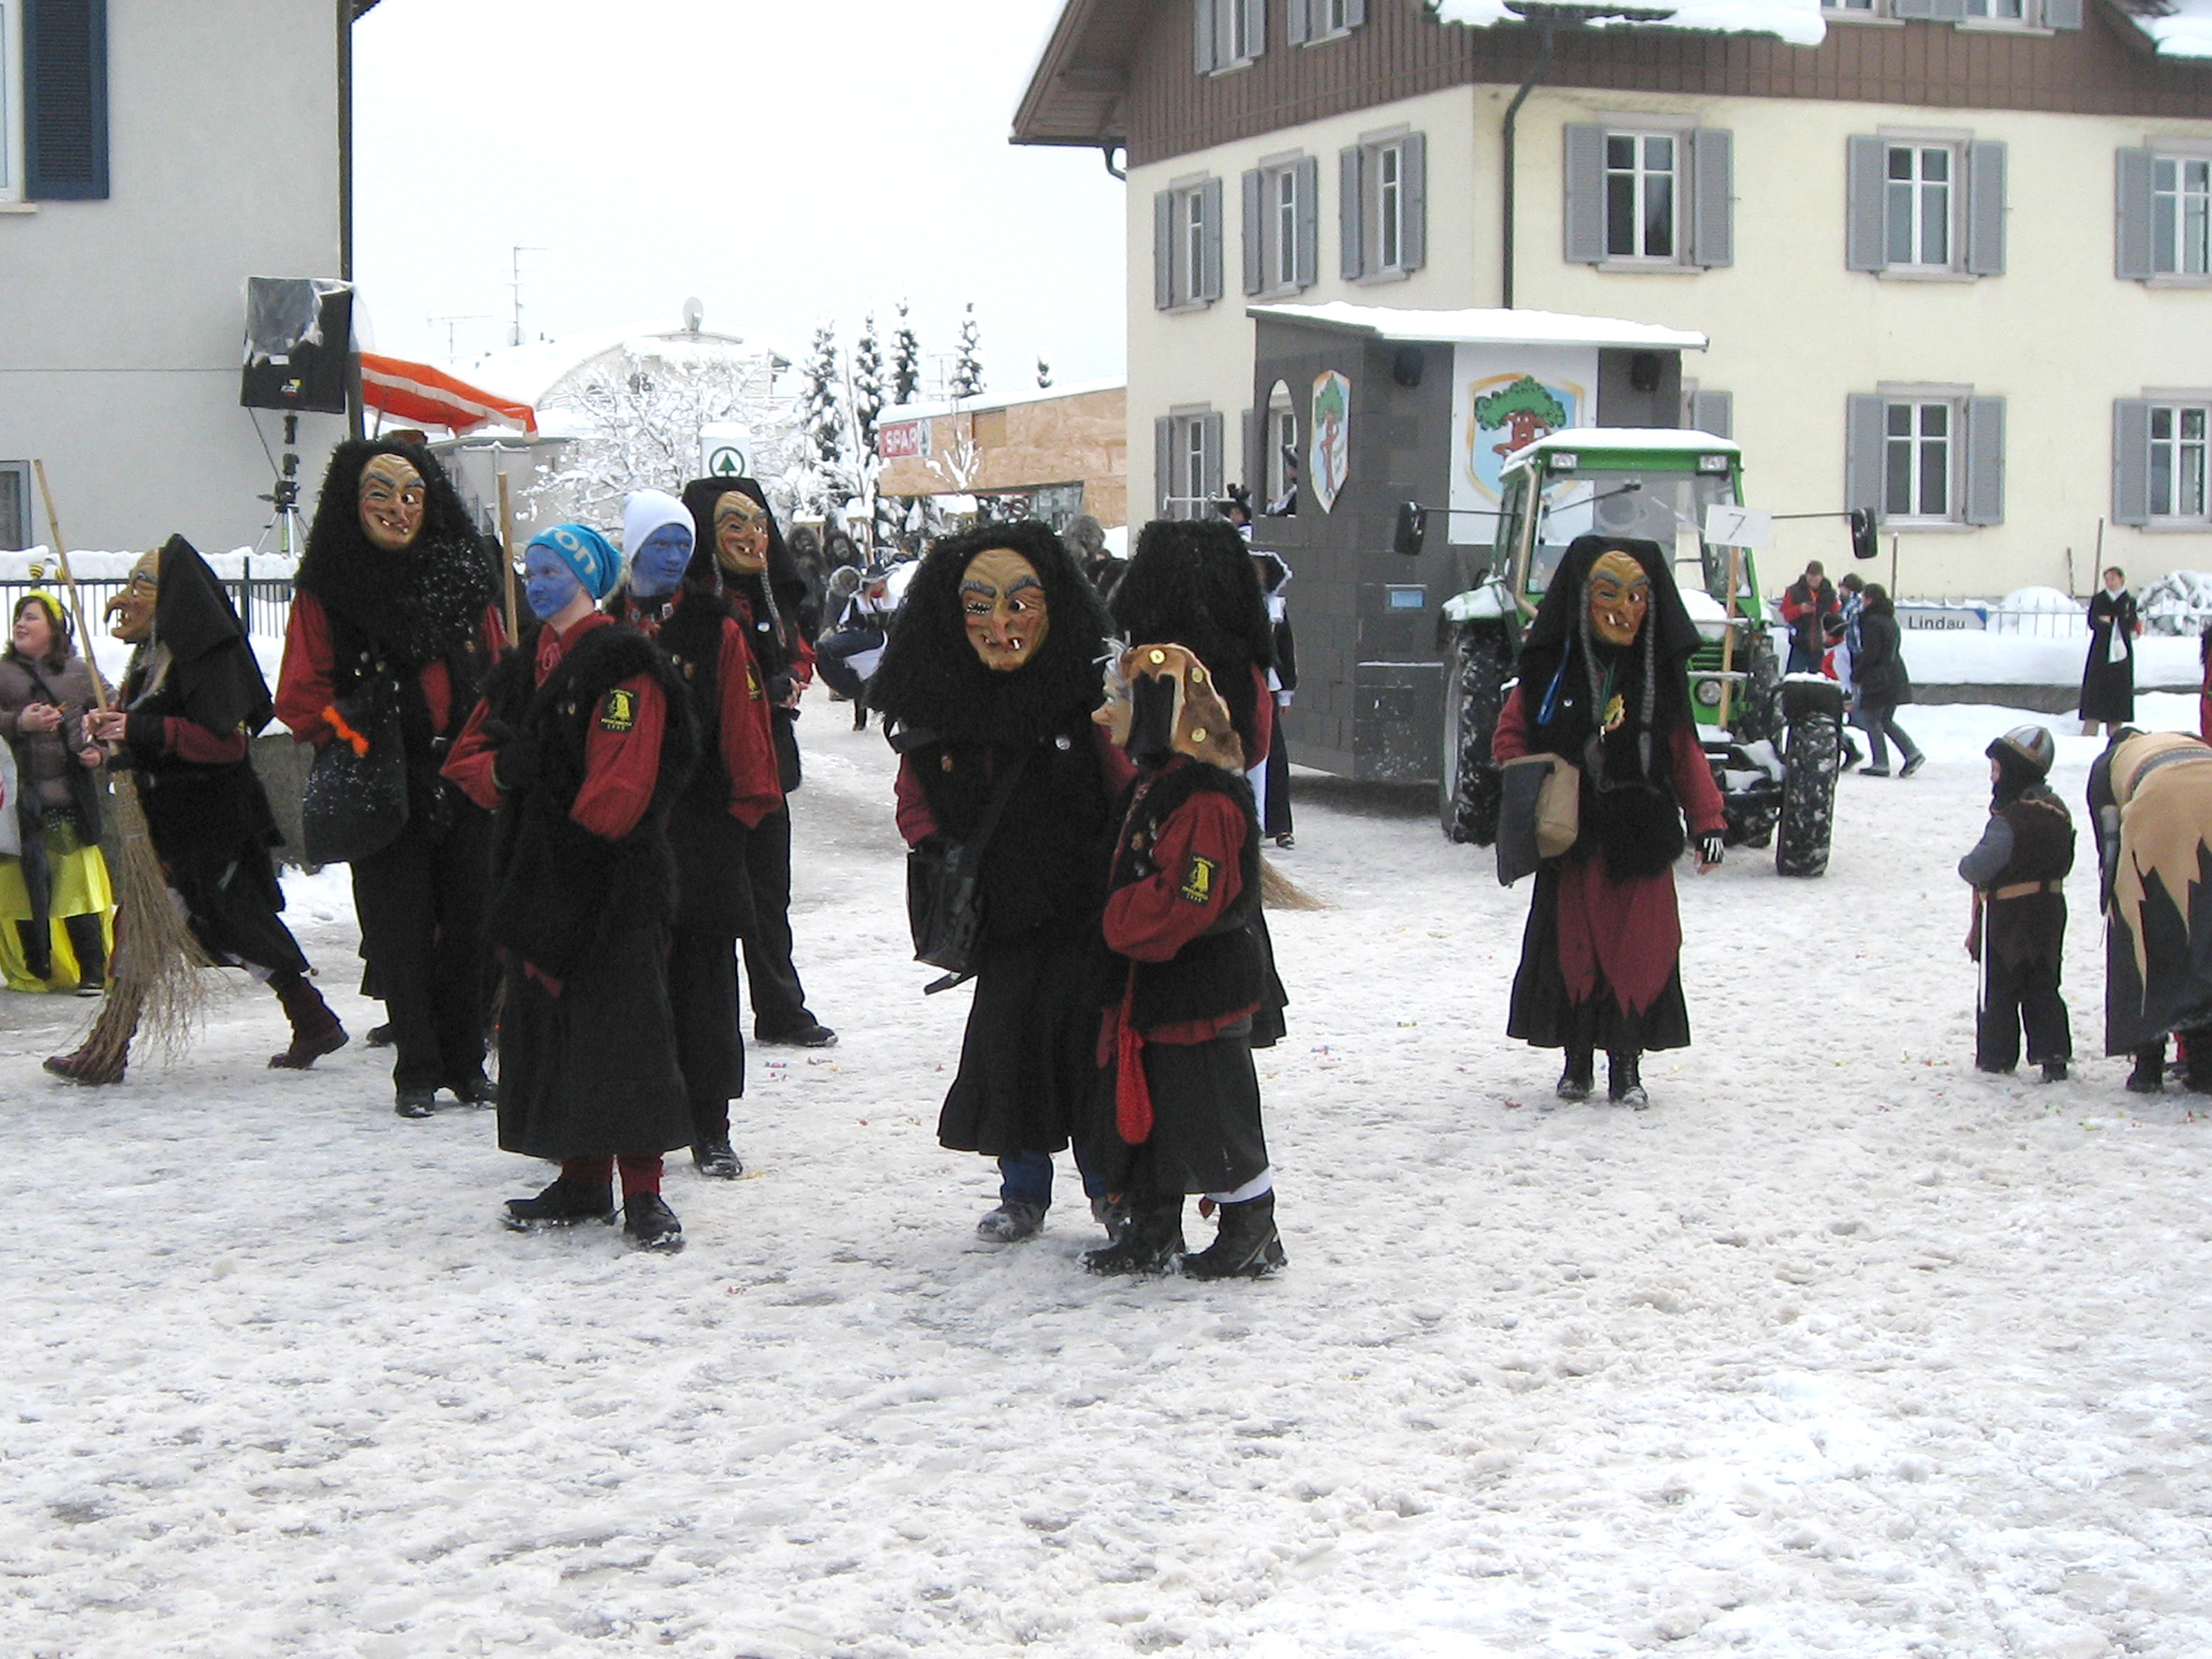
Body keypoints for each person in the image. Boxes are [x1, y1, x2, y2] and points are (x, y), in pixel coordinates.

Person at [871, 520, 1131, 1243]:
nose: (1001, 624)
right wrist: (950, 861)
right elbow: (913, 804)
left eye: (1021, 603)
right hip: (1004, 917)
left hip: (1085, 911)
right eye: (979, 606)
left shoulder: (1090, 698)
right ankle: (1022, 1192)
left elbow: (1127, 786)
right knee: (1011, 1056)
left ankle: (1111, 1192)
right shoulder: (938, 708)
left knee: (1092, 1058)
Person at [444, 523, 699, 1251]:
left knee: (625, 1031)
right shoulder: (524, 664)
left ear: (588, 578)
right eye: (531, 571)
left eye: (552, 571)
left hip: (610, 877)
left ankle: (644, 1191)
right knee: (557, 1031)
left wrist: (571, 842)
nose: (536, 584)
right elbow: (469, 757)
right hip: (536, 871)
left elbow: (622, 781)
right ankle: (582, 1178)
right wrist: (503, 772)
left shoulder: (623, 663)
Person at [46, 537, 347, 1082]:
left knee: (220, 922)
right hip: (172, 823)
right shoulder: (150, 658)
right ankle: (313, 1020)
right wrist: (113, 743)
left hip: (211, 824)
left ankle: (109, 1049)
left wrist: (139, 728)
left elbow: (222, 743)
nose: (130, 594)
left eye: (143, 583)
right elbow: (151, 735)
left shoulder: (203, 660)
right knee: (177, 923)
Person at [278, 437, 505, 1118]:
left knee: (472, 924)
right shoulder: (328, 592)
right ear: (351, 504)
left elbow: (500, 670)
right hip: (382, 780)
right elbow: (299, 698)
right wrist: (356, 729)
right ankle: (418, 1070)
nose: (399, 509)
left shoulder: (464, 580)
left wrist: (498, 736)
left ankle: (467, 1063)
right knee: (399, 932)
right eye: (380, 494)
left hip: (464, 774)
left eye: (412, 495)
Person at [1493, 535, 1727, 1109]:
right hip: (1574, 837)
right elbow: (1510, 737)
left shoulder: (1658, 678)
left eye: (1638, 596)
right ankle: (1576, 1062)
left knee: (1638, 954)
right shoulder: (1550, 672)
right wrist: (1538, 788)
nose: (1624, 610)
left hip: (1641, 835)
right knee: (1575, 952)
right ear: (1582, 599)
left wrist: (1709, 821)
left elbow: (1684, 751)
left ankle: (1627, 1065)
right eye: (1608, 594)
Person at [1082, 641, 1285, 1280]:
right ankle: (1153, 1228)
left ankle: (1251, 1230)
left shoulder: (1205, 803)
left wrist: (1117, 921)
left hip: (1200, 987)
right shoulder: (1159, 786)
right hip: (1159, 982)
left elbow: (1192, 896)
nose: (1104, 714)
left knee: (1215, 1113)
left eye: (1118, 700)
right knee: (1159, 1109)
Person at [603, 490, 782, 1181]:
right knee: (629, 983)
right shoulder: (604, 626)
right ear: (634, 551)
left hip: (700, 832)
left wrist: (739, 817)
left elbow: (745, 726)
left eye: (683, 543)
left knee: (706, 985)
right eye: (661, 544)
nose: (674, 556)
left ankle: (711, 1124)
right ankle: (634, 1121)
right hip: (620, 837)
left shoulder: (717, 628)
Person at [680, 477, 836, 1049]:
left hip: (767, 762)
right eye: (734, 525)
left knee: (770, 895)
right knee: (712, 899)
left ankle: (780, 1008)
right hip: (707, 774)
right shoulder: (690, 601)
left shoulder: (774, 593)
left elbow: (799, 649)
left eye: (759, 525)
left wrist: (790, 677)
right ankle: (708, 1018)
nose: (751, 537)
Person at [0, 593, 110, 994]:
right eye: (18, 617)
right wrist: (19, 722)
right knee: (19, 892)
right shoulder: (2, 672)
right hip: (16, 808)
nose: (20, 623)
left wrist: (101, 752)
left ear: (55, 626)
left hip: (68, 803)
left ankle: (92, 969)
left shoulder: (80, 673)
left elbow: (113, 713)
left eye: (31, 616)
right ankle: (36, 969)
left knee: (77, 891)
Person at [1957, 726, 2072, 1083]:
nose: (1993, 778)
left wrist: (1966, 866)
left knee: (2002, 987)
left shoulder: (2010, 820)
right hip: (2050, 910)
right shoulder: (2058, 811)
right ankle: (2053, 1055)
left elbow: (1977, 867)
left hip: (2009, 917)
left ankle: (1997, 1057)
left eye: (1997, 769)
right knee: (2044, 983)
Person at [1250, 550, 1298, 848]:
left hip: (1267, 687)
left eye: (1260, 570)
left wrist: (1286, 693)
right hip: (1238, 686)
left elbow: (1286, 651)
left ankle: (1279, 825)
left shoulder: (1276, 608)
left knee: (1274, 755)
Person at [815, 561, 898, 731]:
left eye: (883, 581)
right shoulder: (857, 600)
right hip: (861, 642)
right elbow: (849, 622)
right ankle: (860, 719)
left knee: (880, 681)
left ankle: (887, 714)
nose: (881, 584)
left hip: (884, 642)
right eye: (878, 581)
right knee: (858, 679)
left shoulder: (893, 600)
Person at [1851, 584, 1924, 778]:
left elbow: (1871, 653)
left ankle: (1881, 763)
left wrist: (1857, 674)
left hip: (1879, 677)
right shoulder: (1889, 618)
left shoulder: (1871, 621)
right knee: (1885, 719)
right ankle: (1912, 753)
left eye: (1864, 598)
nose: (1862, 602)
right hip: (1894, 673)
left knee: (1872, 718)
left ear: (1870, 599)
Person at [2080, 566, 2140, 738]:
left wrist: (2112, 619)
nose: (2110, 582)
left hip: (2121, 650)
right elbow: (2093, 621)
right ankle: (2091, 727)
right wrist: (2108, 620)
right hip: (2101, 649)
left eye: (2113, 578)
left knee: (2118, 688)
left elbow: (2130, 622)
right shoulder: (2099, 599)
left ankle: (2115, 729)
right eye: (2107, 579)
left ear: (2121, 579)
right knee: (2096, 686)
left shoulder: (2128, 600)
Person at [1778, 560, 1836, 676]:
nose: (1813, 580)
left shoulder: (1830, 594)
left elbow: (1836, 616)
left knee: (1820, 681)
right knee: (1793, 679)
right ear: (1806, 575)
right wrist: (1800, 609)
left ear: (1821, 577)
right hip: (1799, 644)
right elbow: (1783, 615)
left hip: (1821, 648)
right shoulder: (1793, 591)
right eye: (1810, 576)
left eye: (1816, 577)